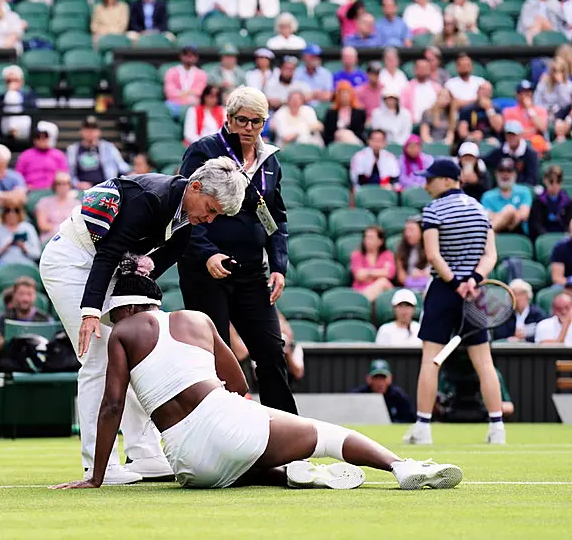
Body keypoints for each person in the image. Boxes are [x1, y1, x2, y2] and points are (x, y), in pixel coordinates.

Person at [51, 255, 463, 490]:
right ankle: (400, 466)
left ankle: (290, 474)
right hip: (230, 427)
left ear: (124, 306)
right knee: (329, 436)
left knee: (239, 460)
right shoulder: (196, 320)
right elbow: (240, 384)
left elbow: (112, 406)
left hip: (189, 467)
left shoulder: (122, 332)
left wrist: (96, 478)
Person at [39, 158, 248, 485]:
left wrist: (137, 290)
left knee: (136, 352)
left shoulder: (186, 220)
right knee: (97, 359)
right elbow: (108, 252)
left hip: (111, 265)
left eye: (217, 214)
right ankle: (99, 466)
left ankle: (146, 452)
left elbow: (156, 261)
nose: (210, 218)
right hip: (71, 261)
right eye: (210, 208)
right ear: (194, 187)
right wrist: (90, 311)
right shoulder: (149, 199)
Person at [176, 86, 298, 417]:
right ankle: (219, 430)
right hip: (207, 270)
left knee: (272, 350)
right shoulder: (203, 150)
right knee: (214, 355)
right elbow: (186, 206)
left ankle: (289, 436)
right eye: (242, 120)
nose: (248, 127)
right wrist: (206, 253)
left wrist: (278, 265)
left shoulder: (269, 160)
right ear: (228, 118)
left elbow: (275, 217)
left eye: (256, 121)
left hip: (251, 270)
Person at [403, 159, 506, 446]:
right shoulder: (480, 209)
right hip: (475, 291)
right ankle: (497, 427)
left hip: (444, 290)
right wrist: (472, 279)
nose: (426, 184)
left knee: (430, 359)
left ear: (448, 180)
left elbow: (433, 255)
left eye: (431, 179)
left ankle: (423, 427)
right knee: (484, 362)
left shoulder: (433, 210)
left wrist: (455, 282)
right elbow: (490, 255)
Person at [0, 277, 51, 357]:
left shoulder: (46, 320)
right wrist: (7, 338)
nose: (25, 299)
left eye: (29, 294)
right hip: (9, 365)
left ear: (35, 296)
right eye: (21, 294)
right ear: (14, 295)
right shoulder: (2, 318)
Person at [351, 359, 417, 423]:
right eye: (376, 378)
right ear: (369, 379)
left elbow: (410, 420)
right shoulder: (359, 395)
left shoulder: (398, 396)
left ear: (389, 379)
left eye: (383, 378)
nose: (380, 383)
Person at [481, 157, 532, 235]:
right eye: (501, 171)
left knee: (510, 209)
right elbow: (486, 217)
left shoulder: (524, 191)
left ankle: (488, 232)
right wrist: (507, 217)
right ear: (496, 174)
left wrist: (507, 214)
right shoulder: (487, 196)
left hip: (518, 231)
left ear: (515, 174)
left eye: (509, 171)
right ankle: (490, 232)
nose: (505, 174)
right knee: (509, 210)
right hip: (497, 233)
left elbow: (524, 215)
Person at [530, 165, 572, 239]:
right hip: (543, 237)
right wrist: (546, 237)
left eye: (558, 181)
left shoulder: (568, 202)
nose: (555, 185)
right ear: (545, 181)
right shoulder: (538, 201)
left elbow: (568, 223)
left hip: (563, 237)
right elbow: (535, 225)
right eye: (551, 181)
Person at [396, 217, 431, 292]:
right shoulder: (401, 249)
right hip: (409, 288)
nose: (408, 234)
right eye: (406, 230)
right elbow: (401, 277)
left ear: (421, 232)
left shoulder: (431, 248)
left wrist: (425, 274)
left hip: (428, 286)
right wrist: (411, 277)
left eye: (411, 230)